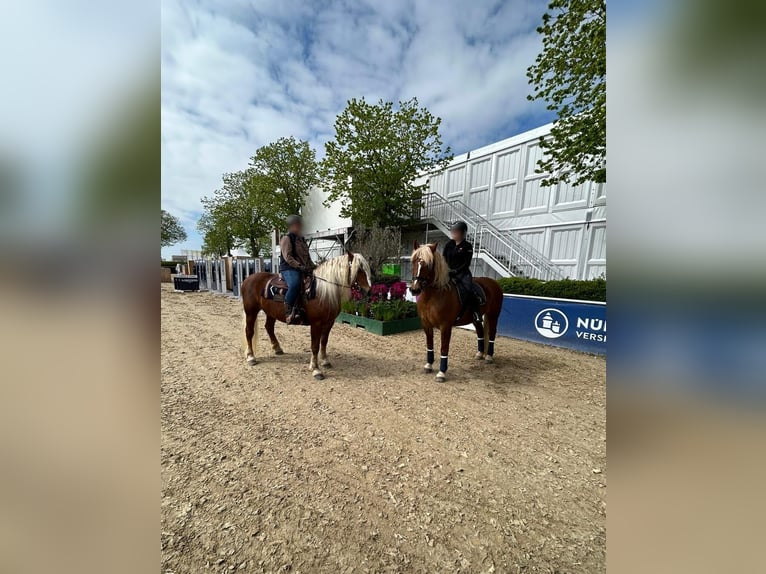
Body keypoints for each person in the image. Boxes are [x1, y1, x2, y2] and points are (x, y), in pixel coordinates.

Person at [279, 214, 316, 324]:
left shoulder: (302, 240)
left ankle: (304, 308)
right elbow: (288, 257)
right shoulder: (286, 238)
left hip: (302, 268)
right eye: (299, 225)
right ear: (293, 226)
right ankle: (288, 310)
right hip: (289, 268)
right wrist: (299, 266)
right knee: (295, 284)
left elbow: (307, 258)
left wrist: (315, 267)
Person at [443, 221, 483, 322]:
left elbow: (466, 263)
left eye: (456, 231)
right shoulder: (449, 245)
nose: (453, 233)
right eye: (453, 231)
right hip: (448, 272)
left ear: (463, 233)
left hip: (462, 273)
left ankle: (476, 312)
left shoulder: (467, 246)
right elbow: (444, 258)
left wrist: (455, 271)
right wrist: (445, 269)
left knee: (468, 290)